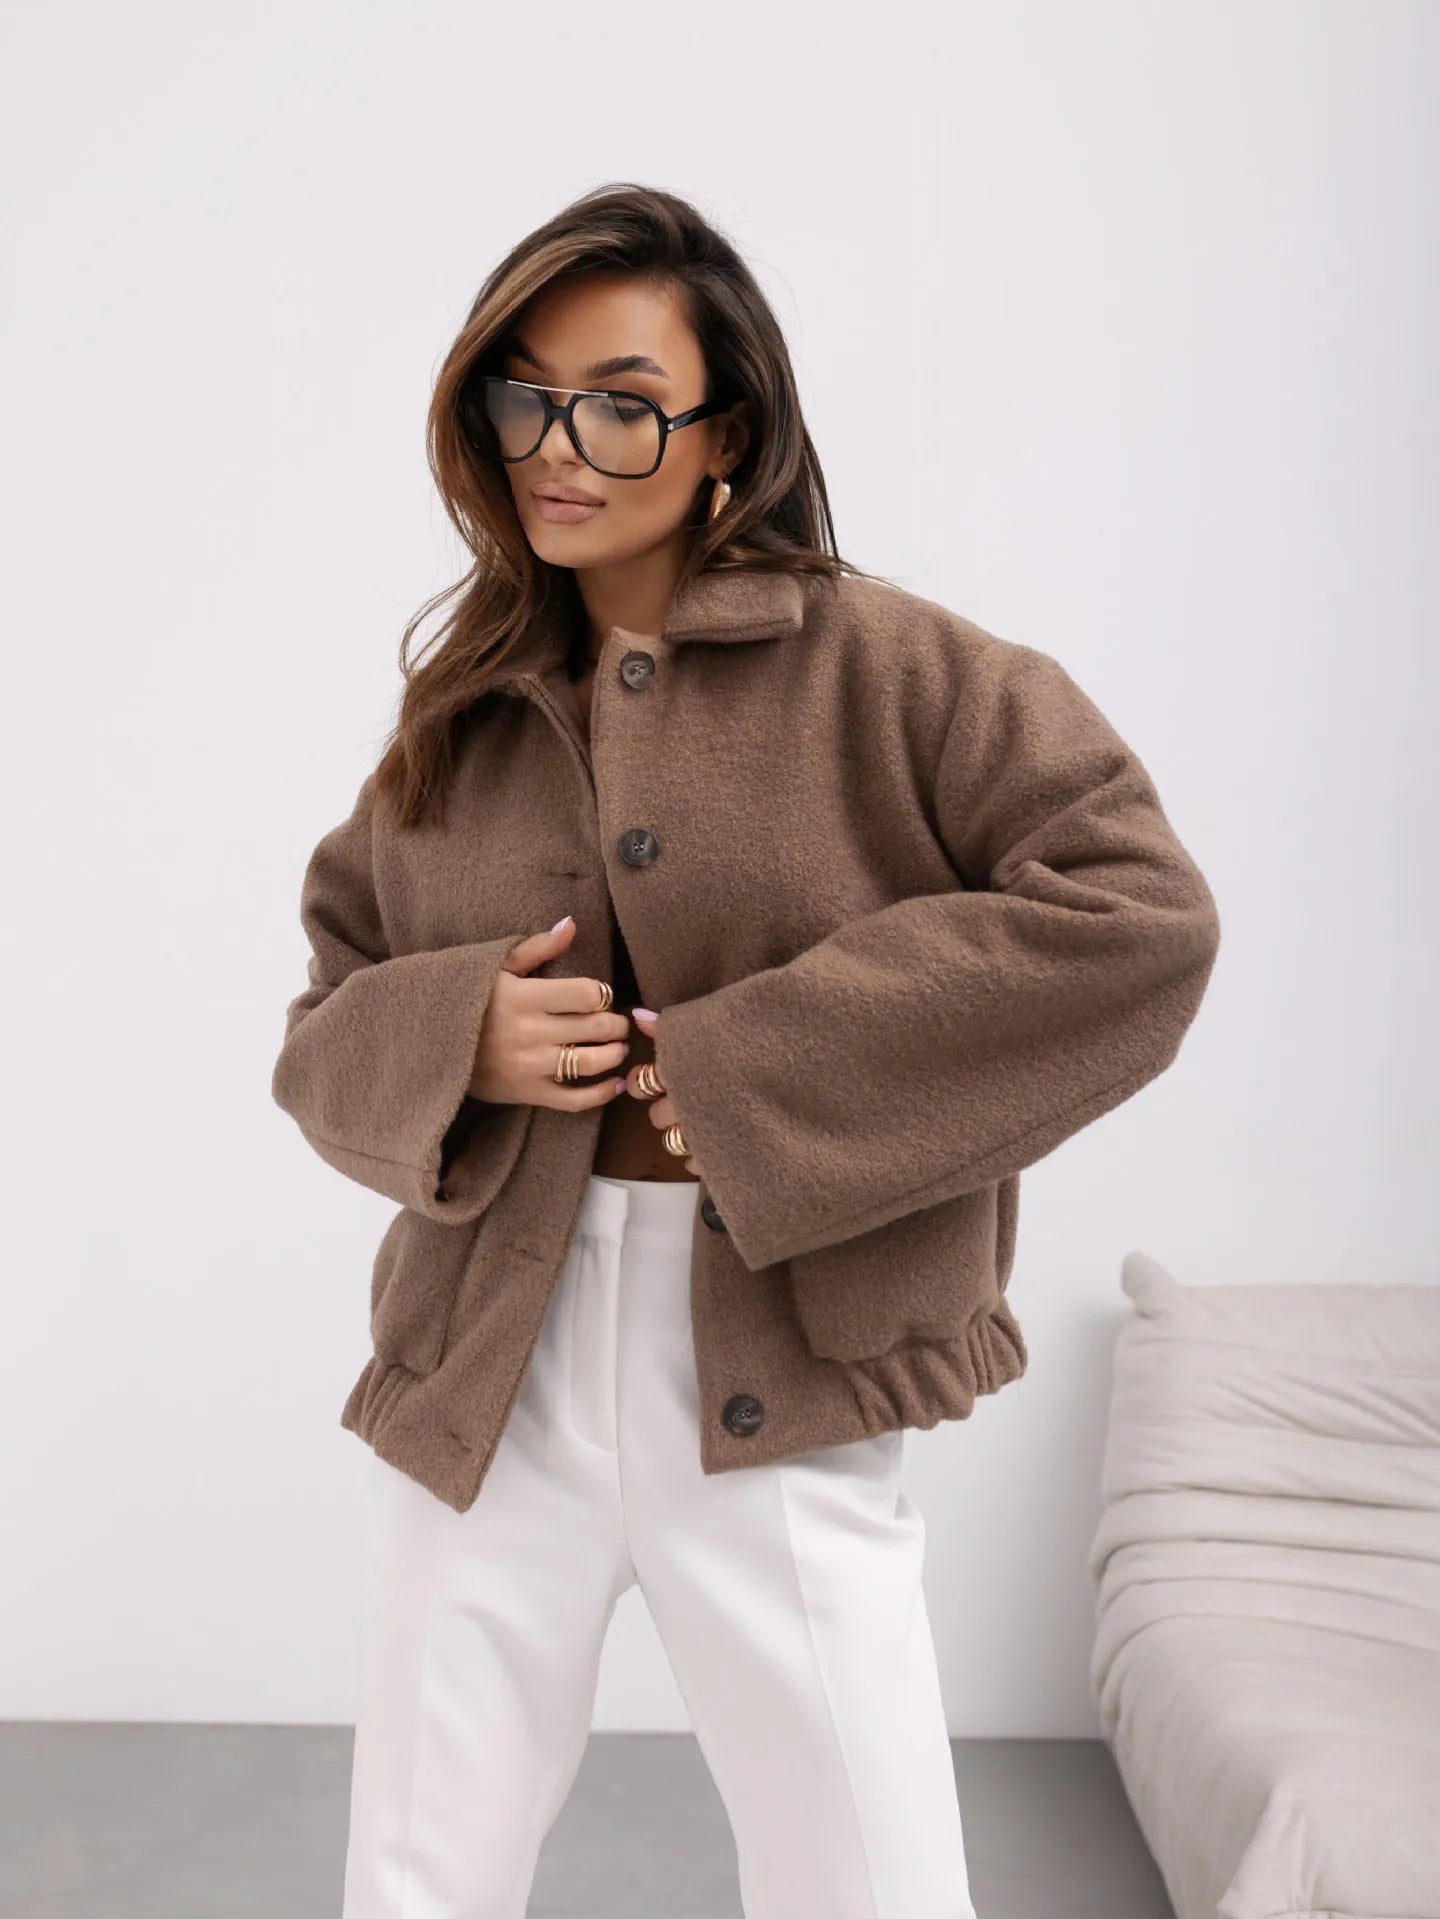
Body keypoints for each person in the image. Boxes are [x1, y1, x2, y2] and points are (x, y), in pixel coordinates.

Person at [272, 182, 1221, 1919]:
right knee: (416, 1876)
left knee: (868, 1883)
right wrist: (458, 1034)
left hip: (779, 1361)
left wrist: (750, 1074)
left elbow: (1138, 917)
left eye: (623, 405)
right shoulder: (465, 708)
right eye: (526, 397)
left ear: (730, 435)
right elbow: (325, 1013)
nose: (561, 448)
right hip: (492, 1360)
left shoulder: (899, 671)